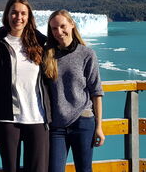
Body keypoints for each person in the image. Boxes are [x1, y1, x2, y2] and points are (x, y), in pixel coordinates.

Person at [0, 0, 51, 172]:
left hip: (37, 116)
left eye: (23, 13)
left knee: (38, 168)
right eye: (14, 12)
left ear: (29, 16)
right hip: (7, 116)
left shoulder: (41, 42)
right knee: (11, 168)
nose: (18, 17)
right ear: (7, 15)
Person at [42, 9, 105, 172]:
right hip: (57, 125)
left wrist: (99, 127)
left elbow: (96, 92)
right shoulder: (48, 55)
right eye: (54, 28)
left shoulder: (87, 54)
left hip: (83, 122)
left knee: (84, 169)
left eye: (63, 26)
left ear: (72, 25)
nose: (59, 32)